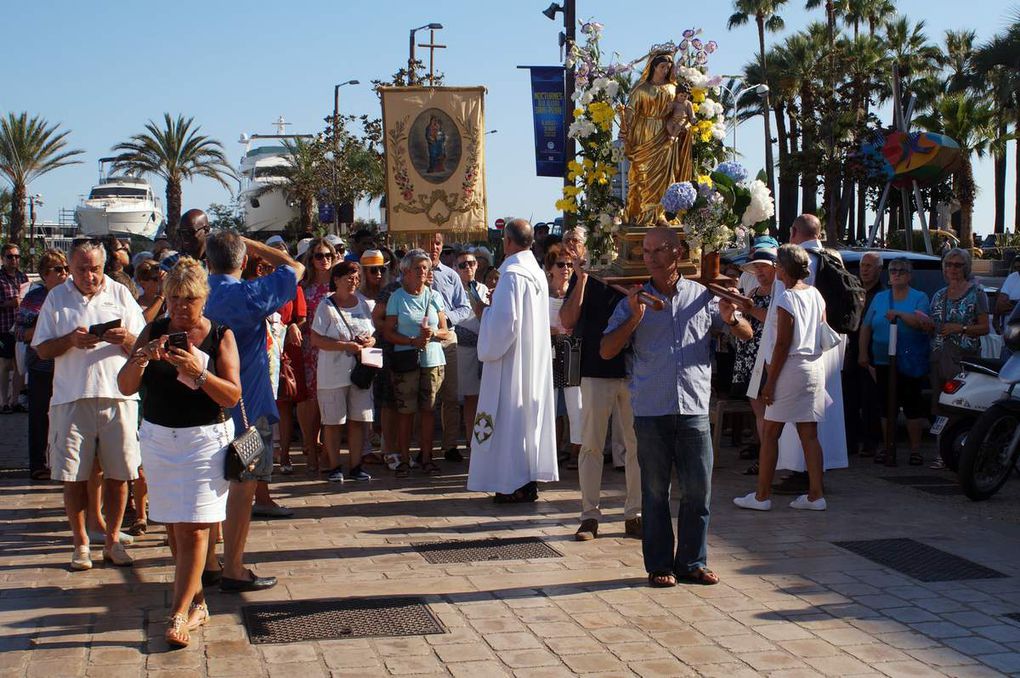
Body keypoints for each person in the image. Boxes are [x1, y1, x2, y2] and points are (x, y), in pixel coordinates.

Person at [117, 258, 241, 647]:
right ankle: (197, 603)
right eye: (173, 299)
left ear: (204, 299)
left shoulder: (220, 335)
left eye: (188, 300)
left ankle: (177, 613)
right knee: (174, 526)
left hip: (205, 442)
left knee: (196, 528)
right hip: (159, 439)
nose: (180, 308)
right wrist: (141, 356)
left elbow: (233, 395)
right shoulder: (153, 330)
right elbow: (124, 386)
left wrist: (198, 371)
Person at [601, 227, 733, 587]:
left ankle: (692, 561)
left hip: (692, 406)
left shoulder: (702, 295)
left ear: (678, 253)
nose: (650, 258)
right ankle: (660, 564)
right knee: (656, 492)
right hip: (652, 408)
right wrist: (633, 318)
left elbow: (741, 332)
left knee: (698, 490)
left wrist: (733, 313)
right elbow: (607, 350)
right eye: (645, 251)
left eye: (658, 250)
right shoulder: (634, 299)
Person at [31, 241, 146, 570]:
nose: (89, 276)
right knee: (73, 475)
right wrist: (70, 340)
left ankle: (112, 540)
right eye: (81, 269)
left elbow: (142, 345)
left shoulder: (121, 294)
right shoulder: (57, 297)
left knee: (120, 473)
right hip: (71, 397)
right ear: (70, 268)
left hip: (118, 396)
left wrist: (124, 338)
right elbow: (41, 349)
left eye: (94, 268)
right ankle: (81, 542)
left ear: (103, 265)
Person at [204, 230, 305, 592]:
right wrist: (255, 243)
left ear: (207, 260)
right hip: (247, 415)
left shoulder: (190, 294)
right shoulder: (248, 294)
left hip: (200, 413)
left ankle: (208, 562)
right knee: (243, 487)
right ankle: (232, 566)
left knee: (207, 490)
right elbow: (296, 267)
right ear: (244, 261)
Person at [559, 228, 642, 540]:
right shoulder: (585, 277)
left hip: (633, 368)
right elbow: (567, 320)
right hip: (596, 369)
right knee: (591, 444)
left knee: (636, 446)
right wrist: (580, 278)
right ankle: (589, 515)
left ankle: (635, 514)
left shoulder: (630, 273)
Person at [735, 244, 829, 512]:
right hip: (813, 368)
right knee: (809, 434)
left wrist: (770, 381)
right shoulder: (815, 294)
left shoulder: (786, 299)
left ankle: (762, 496)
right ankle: (815, 495)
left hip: (790, 369)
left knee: (771, 432)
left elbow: (783, 343)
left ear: (783, 269)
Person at [469, 219, 558, 502]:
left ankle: (511, 483)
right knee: (525, 423)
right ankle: (526, 481)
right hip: (531, 360)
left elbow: (506, 324)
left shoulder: (512, 275)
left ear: (507, 242)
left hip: (511, 364)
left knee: (508, 422)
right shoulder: (535, 272)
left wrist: (485, 312)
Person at [382, 250, 450, 477]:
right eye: (418, 268)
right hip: (407, 359)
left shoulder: (435, 296)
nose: (423, 272)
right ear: (406, 271)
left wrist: (432, 334)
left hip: (432, 360)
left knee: (428, 410)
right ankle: (403, 458)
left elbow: (445, 331)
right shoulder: (397, 298)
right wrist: (412, 340)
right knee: (406, 411)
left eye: (426, 268)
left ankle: (427, 457)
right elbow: (388, 332)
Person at [920, 247, 990, 469]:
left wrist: (961, 328)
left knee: (961, 407)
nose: (952, 269)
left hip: (964, 358)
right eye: (949, 265)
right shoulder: (939, 294)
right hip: (939, 356)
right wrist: (927, 325)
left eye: (958, 265)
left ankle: (966, 452)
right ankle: (943, 453)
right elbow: (935, 324)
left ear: (966, 267)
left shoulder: (976, 293)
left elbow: (985, 327)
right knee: (940, 406)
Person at [859, 258, 931, 467]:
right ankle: (888, 446)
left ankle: (915, 450)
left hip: (910, 360)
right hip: (882, 359)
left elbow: (922, 323)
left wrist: (900, 314)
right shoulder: (880, 298)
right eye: (893, 270)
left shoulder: (920, 297)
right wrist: (863, 354)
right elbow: (866, 327)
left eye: (901, 271)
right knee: (886, 405)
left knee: (912, 404)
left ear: (910, 275)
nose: (896, 274)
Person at [311, 261, 376, 483]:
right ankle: (334, 465)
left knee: (358, 419)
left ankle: (356, 465)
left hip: (360, 372)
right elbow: (316, 338)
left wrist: (369, 341)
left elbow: (374, 332)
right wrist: (344, 346)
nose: (353, 281)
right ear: (336, 279)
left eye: (356, 277)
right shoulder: (326, 306)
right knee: (334, 421)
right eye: (349, 277)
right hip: (332, 373)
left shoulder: (365, 304)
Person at [621, 53, 693, 225]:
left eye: (668, 68)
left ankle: (662, 214)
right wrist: (624, 122)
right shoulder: (642, 89)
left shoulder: (673, 88)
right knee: (644, 175)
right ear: (653, 67)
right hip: (645, 133)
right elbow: (631, 112)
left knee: (667, 176)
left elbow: (683, 109)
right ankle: (644, 214)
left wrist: (684, 125)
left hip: (667, 133)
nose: (665, 70)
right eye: (662, 67)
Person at [16, 250, 68, 480]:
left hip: (67, 366)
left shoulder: (71, 295)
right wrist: (42, 329)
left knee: (65, 416)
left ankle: (61, 462)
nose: (64, 273)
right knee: (39, 416)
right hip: (41, 366)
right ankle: (38, 463)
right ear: (45, 274)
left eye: (66, 268)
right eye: (59, 269)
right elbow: (19, 332)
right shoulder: (34, 298)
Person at [727, 249, 776, 476]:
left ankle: (773, 458)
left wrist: (750, 309)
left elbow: (773, 319)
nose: (760, 272)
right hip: (749, 357)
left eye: (764, 267)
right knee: (759, 412)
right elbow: (744, 324)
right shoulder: (753, 291)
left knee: (773, 412)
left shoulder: (780, 294)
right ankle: (764, 457)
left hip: (768, 357)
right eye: (757, 268)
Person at [426, 233, 473, 462]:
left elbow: (464, 308)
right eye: (429, 243)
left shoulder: (451, 275)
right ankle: (424, 447)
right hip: (420, 340)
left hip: (446, 339)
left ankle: (450, 445)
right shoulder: (409, 272)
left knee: (451, 395)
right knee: (424, 396)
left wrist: (444, 319)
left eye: (437, 244)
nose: (433, 248)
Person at [297, 238, 339, 473]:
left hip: (334, 349)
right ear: (311, 260)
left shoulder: (340, 286)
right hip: (310, 349)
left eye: (328, 256)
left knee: (330, 400)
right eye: (318, 256)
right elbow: (299, 318)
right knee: (309, 401)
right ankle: (310, 447)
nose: (324, 260)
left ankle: (326, 451)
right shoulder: (304, 288)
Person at [843, 252, 884, 458]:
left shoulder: (884, 294)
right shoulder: (854, 290)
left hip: (875, 352)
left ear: (879, 269)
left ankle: (871, 443)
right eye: (863, 265)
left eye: (869, 266)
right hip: (851, 350)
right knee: (849, 400)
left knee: (871, 401)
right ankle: (849, 443)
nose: (865, 269)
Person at [545, 245, 583, 468]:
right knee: (548, 404)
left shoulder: (576, 289)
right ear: (550, 267)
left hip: (571, 349)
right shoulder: (541, 291)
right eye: (561, 264)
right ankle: (551, 452)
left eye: (569, 264)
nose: (566, 268)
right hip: (547, 351)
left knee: (575, 404)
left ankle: (578, 454)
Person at [453, 250, 488, 467]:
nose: (468, 268)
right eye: (463, 264)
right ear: (456, 269)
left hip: (483, 346)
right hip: (462, 348)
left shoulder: (483, 289)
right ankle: (467, 438)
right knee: (468, 397)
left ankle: (479, 438)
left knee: (481, 396)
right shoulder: (453, 291)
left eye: (472, 263)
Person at [0, 243, 29, 413]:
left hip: (20, 327)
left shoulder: (22, 277)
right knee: (4, 365)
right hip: (3, 327)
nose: (14, 260)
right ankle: (3, 401)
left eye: (17, 257)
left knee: (20, 365)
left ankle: (15, 400)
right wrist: (8, 303)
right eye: (10, 257)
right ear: (3, 259)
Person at [135, 260, 167, 324]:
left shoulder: (171, 301)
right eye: (157, 279)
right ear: (143, 283)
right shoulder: (135, 304)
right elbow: (142, 322)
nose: (162, 281)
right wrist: (161, 295)